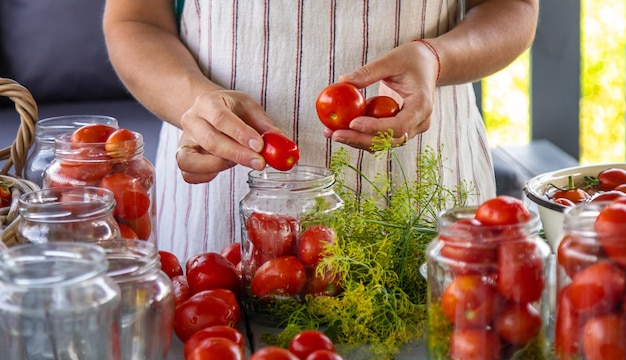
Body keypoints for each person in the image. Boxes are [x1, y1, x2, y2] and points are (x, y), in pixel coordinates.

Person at [103, 0, 539, 262]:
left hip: (421, 190)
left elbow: (512, 7)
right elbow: (135, 19)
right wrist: (190, 102)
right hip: (220, 206)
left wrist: (437, 57)